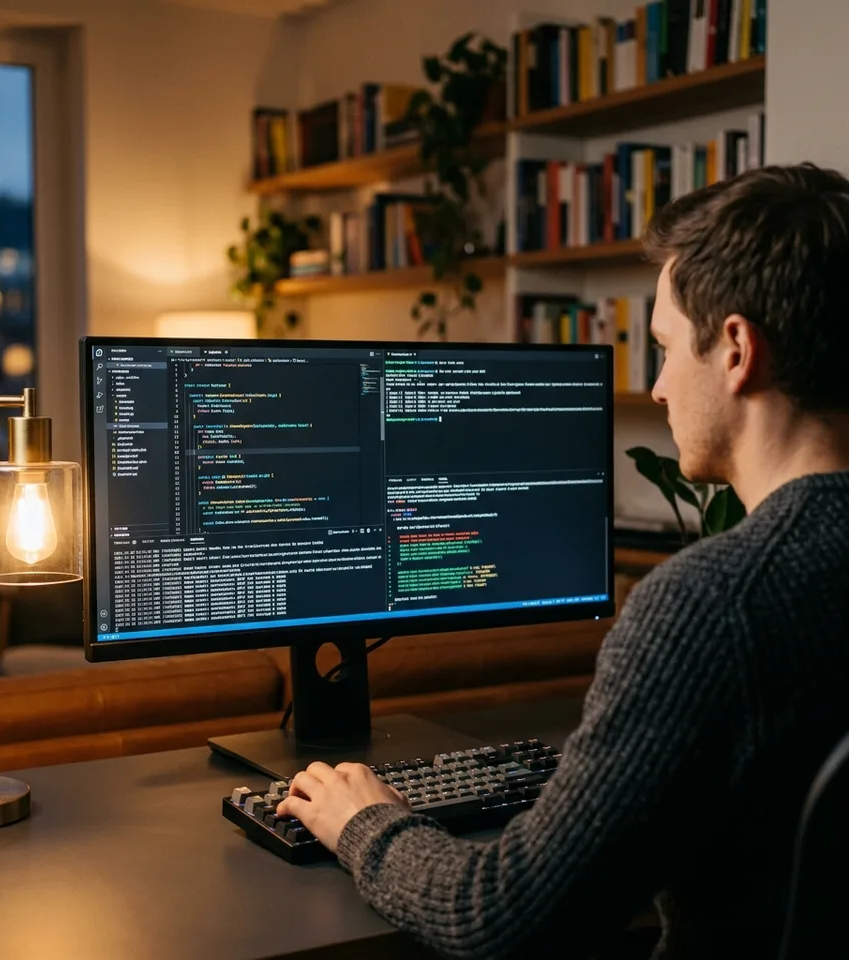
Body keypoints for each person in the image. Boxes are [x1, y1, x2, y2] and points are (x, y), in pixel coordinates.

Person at [276, 162, 849, 959]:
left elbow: (503, 917)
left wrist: (364, 823)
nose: (655, 388)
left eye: (663, 348)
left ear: (736, 350)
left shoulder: (713, 608)